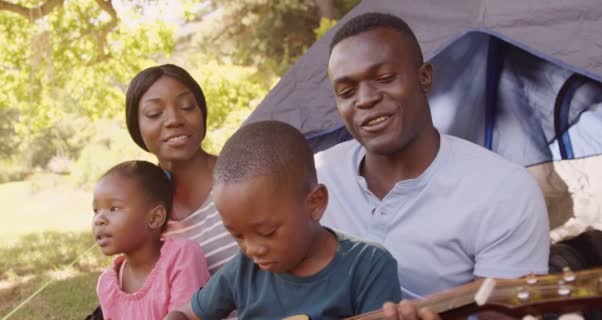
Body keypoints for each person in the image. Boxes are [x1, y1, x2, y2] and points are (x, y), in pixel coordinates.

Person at [316, 12, 550, 313]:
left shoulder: (505, 192)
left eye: (384, 78)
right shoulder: (316, 175)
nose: (365, 99)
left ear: (424, 77)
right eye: (346, 92)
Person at [164, 121, 402, 320]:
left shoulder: (369, 267)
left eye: (267, 232)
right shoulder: (244, 269)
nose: (252, 249)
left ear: (315, 203)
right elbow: (185, 314)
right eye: (237, 235)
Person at [125, 64, 239, 273]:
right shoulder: (143, 212)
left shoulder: (244, 178)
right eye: (154, 113)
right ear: (136, 127)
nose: (174, 120)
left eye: (186, 107)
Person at [93, 160, 210, 319]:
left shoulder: (181, 258)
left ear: (155, 217)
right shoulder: (106, 285)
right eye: (96, 210)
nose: (99, 219)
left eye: (114, 208)